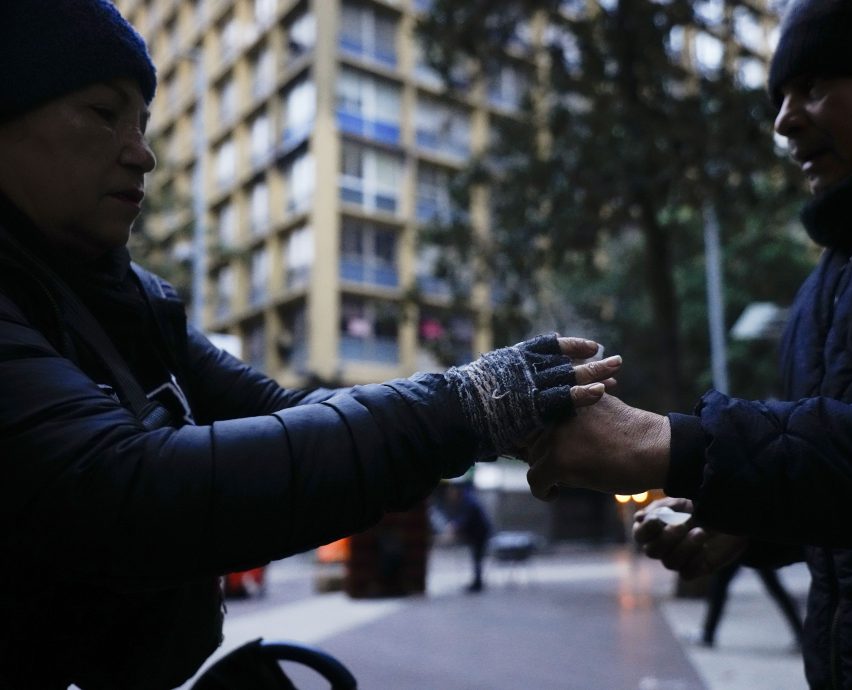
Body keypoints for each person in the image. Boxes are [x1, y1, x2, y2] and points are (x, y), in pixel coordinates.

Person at [0, 2, 623, 688]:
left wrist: (502, 421)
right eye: (101, 112)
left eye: (144, 123)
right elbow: (122, 493)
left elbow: (286, 411)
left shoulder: (139, 303)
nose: (141, 153)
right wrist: (465, 407)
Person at [526, 0, 852, 687]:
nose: (784, 120)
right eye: (779, 96)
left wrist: (671, 444)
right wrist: (746, 526)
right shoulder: (829, 278)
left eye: (814, 86)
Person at [443, 482, 493, 592]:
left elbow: (465, 519)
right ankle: (477, 582)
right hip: (477, 532)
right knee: (477, 558)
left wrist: (455, 526)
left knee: (477, 558)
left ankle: (477, 583)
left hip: (480, 532)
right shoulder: (465, 499)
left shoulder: (468, 501)